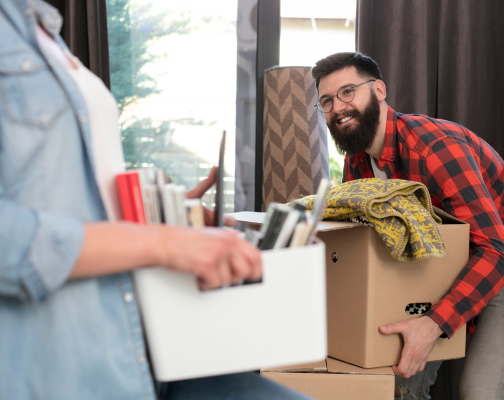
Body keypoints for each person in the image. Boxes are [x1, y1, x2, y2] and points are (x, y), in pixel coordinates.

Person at [0, 1, 313, 399]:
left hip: (135, 353)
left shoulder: (44, 29)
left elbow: (67, 193)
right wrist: (163, 243)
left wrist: (165, 214)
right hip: (63, 367)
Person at [311, 52, 504, 400]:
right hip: (435, 259)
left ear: (378, 90)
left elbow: (496, 254)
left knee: (478, 391)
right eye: (326, 101)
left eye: (348, 92)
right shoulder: (357, 162)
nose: (337, 108)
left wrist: (433, 325)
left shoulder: (436, 149)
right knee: (401, 381)